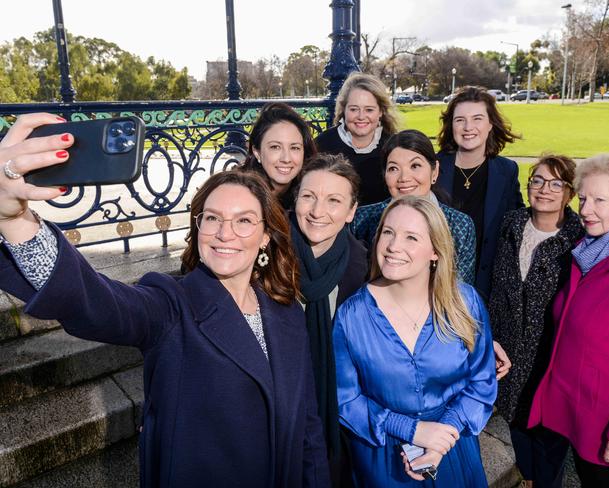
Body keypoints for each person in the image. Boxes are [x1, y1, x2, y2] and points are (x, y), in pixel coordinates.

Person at [0, 113, 330, 488]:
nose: (225, 234)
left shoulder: (285, 312)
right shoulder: (170, 304)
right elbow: (95, 302)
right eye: (212, 218)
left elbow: (307, 427)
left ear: (266, 237)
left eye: (243, 221)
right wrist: (14, 221)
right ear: (198, 227)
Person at [333, 195, 497, 487]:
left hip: (450, 448)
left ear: (435, 250)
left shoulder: (465, 302)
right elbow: (345, 399)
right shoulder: (351, 316)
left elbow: (482, 383)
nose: (394, 246)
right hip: (383, 457)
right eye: (388, 232)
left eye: (411, 237)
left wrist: (444, 432)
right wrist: (410, 429)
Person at [529, 153, 609, 488]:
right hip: (579, 410)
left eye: (600, 200)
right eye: (583, 198)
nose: (584, 210)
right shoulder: (593, 247)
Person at [488, 155, 584, 488]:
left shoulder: (579, 238)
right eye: (538, 181)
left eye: (556, 183)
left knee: (549, 445)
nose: (544, 189)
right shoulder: (511, 224)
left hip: (552, 360)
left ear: (569, 193)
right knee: (517, 430)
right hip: (508, 356)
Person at [290, 153, 368, 486]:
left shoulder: (366, 269)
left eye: (334, 200)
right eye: (309, 196)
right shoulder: (265, 254)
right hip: (277, 409)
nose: (318, 211)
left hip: (337, 412)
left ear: (352, 211)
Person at [351, 129, 476, 285]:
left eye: (415, 166)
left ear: (434, 171)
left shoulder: (460, 225)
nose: (404, 178)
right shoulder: (361, 220)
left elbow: (461, 292)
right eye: (393, 168)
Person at [437, 85, 524, 300]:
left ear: (490, 124)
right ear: (451, 125)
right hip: (437, 282)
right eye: (460, 120)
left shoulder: (506, 171)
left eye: (477, 119)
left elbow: (518, 222)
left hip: (485, 287)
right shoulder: (434, 167)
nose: (468, 127)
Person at [315, 72, 400, 206]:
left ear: (381, 112)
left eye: (369, 110)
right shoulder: (322, 144)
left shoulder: (394, 146)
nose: (361, 116)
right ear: (344, 110)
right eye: (354, 109)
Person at [240, 101, 317, 209]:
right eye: (275, 147)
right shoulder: (240, 195)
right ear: (257, 152)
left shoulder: (310, 189)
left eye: (295, 148)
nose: (286, 159)